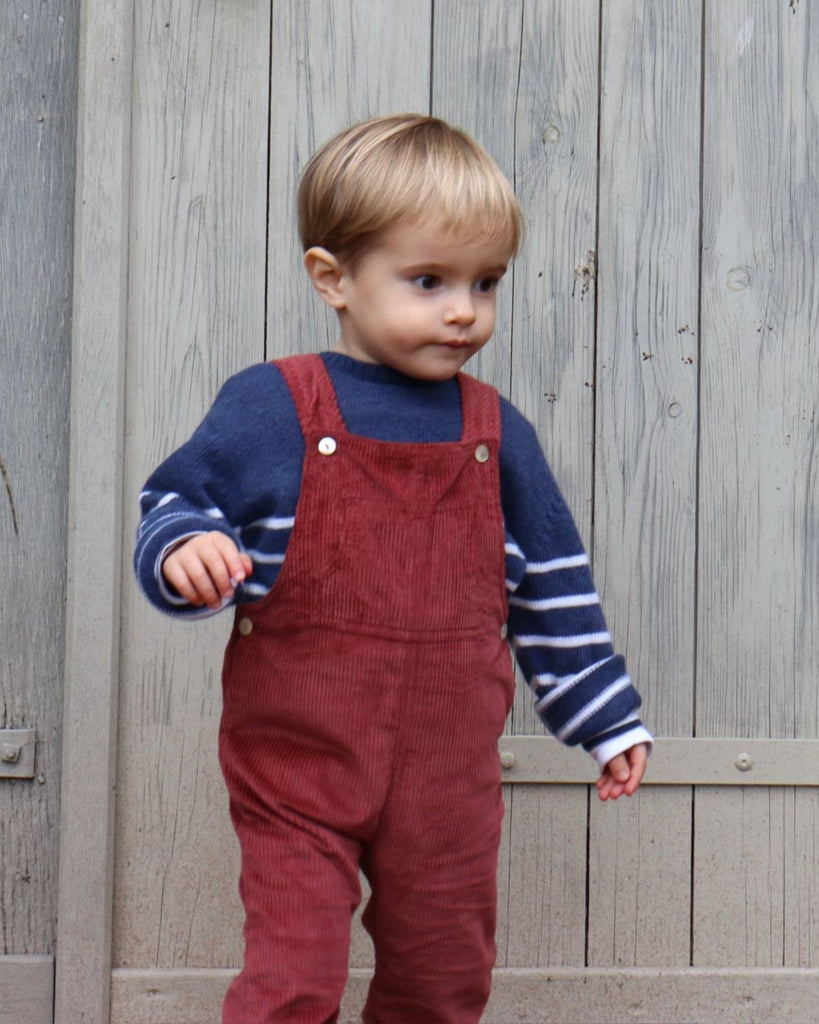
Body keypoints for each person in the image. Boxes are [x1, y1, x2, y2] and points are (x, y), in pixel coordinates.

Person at [134, 113, 652, 1024]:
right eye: (428, 281)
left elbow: (553, 590)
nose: (463, 309)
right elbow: (177, 502)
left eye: (485, 283)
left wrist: (604, 718)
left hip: (446, 782)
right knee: (292, 977)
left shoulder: (496, 433)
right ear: (332, 278)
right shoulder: (276, 406)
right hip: (298, 769)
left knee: (443, 977)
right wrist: (187, 553)